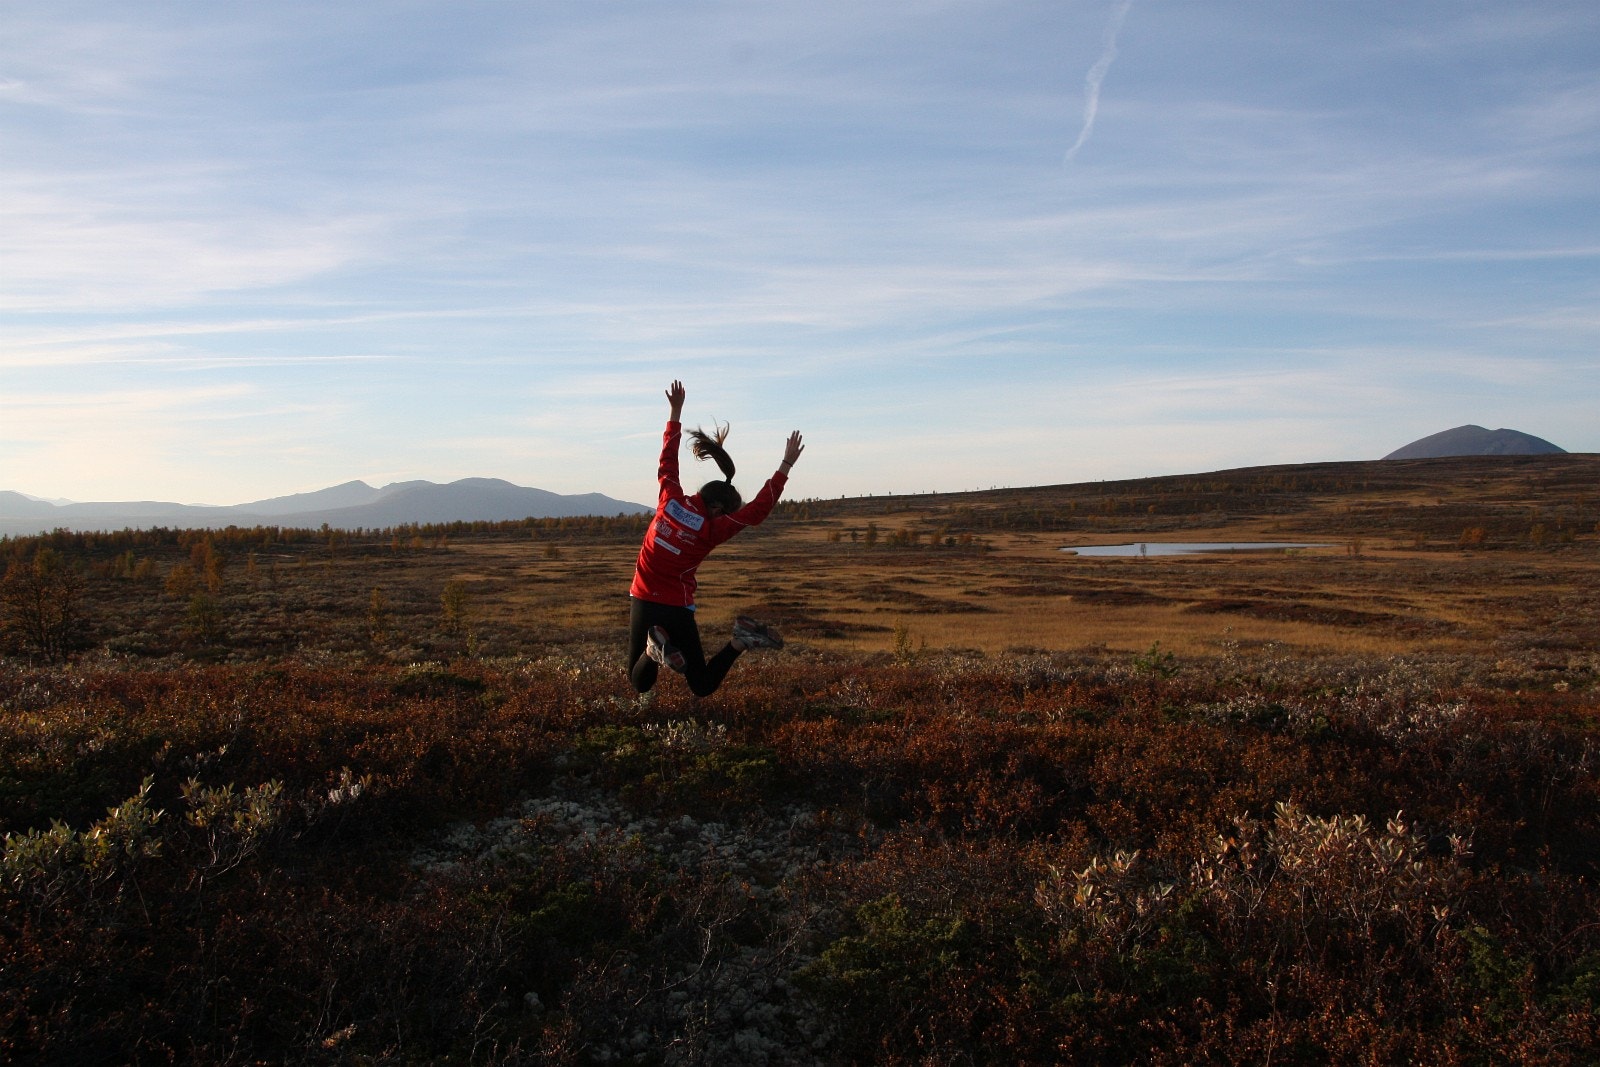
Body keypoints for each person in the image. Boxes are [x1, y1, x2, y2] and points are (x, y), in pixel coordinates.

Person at [627, 379, 804, 697]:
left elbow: (667, 459)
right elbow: (757, 510)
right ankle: (740, 640)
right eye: (725, 513)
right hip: (676, 606)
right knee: (703, 685)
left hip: (642, 596)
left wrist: (675, 412)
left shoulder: (669, 498)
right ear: (718, 509)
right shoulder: (710, 530)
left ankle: (653, 652)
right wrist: (786, 465)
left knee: (640, 683)